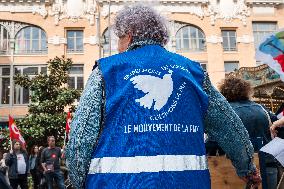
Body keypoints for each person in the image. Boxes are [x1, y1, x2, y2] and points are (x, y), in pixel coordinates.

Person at [66, 4, 261, 189]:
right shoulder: (193, 72)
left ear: (130, 35)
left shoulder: (107, 71)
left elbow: (81, 136)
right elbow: (228, 125)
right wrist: (247, 167)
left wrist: (76, 180)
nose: (118, 47)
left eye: (119, 39)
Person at [219, 76, 278, 189]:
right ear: (246, 90)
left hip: (236, 170)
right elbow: (279, 131)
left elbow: (213, 142)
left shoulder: (225, 112)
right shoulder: (263, 109)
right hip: (268, 167)